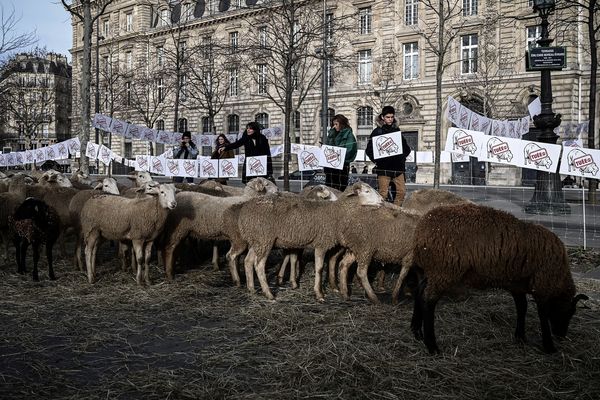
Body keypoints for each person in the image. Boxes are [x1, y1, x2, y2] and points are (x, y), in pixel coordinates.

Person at [366, 105, 411, 206]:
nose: (390, 119)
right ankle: (382, 215)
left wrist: (401, 158)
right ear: (382, 117)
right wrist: (377, 160)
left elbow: (406, 148)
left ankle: (395, 212)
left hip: (398, 168)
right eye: (388, 117)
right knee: (383, 194)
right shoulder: (377, 132)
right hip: (383, 169)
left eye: (392, 117)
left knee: (401, 192)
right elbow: (369, 150)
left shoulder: (397, 131)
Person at [323, 114, 357, 191]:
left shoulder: (349, 135)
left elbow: (350, 150)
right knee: (329, 188)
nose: (334, 126)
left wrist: (338, 154)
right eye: (333, 124)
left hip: (342, 167)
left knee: (340, 189)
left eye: (336, 124)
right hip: (330, 166)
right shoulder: (331, 134)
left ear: (342, 124)